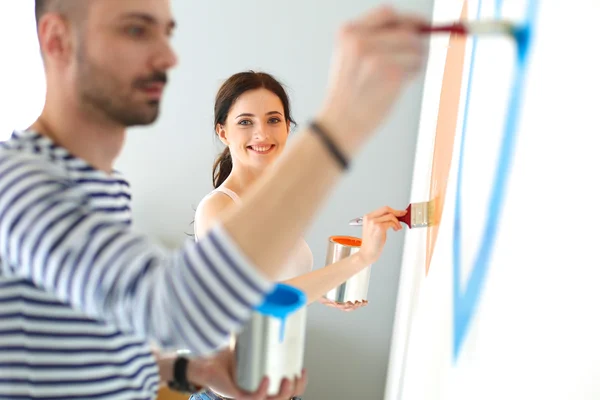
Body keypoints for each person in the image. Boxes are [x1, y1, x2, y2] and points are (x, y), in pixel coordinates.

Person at [0, 0, 426, 399]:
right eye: (135, 30)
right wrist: (343, 122)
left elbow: (103, 340)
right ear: (58, 40)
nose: (169, 57)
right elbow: (180, 310)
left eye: (166, 33)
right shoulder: (19, 182)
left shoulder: (105, 187)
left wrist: (188, 371)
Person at [191, 71, 407, 400]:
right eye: (245, 122)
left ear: (288, 127)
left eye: (273, 119)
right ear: (223, 131)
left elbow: (277, 282)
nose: (262, 133)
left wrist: (323, 290)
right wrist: (362, 258)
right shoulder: (217, 210)